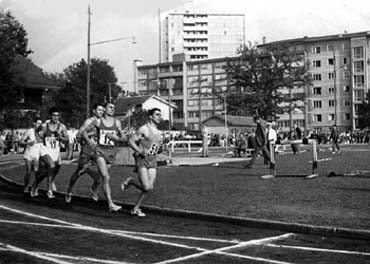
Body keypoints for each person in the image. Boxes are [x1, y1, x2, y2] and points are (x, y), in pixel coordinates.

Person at [80, 102, 125, 212]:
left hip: (111, 152)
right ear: (104, 109)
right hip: (100, 151)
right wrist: (89, 141)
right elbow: (84, 132)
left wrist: (117, 138)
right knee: (106, 177)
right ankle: (110, 204)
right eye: (110, 107)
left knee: (101, 176)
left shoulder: (117, 122)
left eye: (113, 108)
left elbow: (124, 138)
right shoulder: (98, 121)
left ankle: (92, 183)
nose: (112, 109)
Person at [121, 108, 163, 217]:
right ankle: (131, 181)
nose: (160, 117)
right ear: (150, 116)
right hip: (142, 160)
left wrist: (162, 149)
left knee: (149, 188)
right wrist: (139, 150)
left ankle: (135, 209)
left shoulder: (159, 132)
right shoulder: (144, 129)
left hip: (153, 160)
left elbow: (156, 149)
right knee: (146, 187)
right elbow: (130, 141)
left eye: (160, 115)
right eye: (157, 114)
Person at [65, 103, 105, 204]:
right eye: (99, 110)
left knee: (103, 173)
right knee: (78, 171)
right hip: (87, 149)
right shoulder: (89, 121)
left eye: (102, 110)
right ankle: (69, 190)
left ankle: (93, 188)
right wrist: (90, 135)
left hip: (98, 149)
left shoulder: (104, 122)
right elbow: (79, 135)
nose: (101, 112)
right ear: (94, 111)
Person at [30, 107, 69, 199]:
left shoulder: (62, 127)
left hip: (55, 150)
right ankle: (49, 190)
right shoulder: (44, 126)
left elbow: (67, 139)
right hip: (45, 150)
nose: (56, 117)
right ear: (50, 116)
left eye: (57, 115)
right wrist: (40, 139)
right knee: (51, 166)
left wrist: (60, 137)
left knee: (55, 169)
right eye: (54, 115)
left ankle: (35, 184)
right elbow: (36, 130)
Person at [20, 117, 43, 193]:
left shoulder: (42, 133)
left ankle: (35, 186)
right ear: (34, 123)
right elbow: (21, 141)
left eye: (40, 123)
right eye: (38, 123)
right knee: (29, 171)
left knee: (37, 172)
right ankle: (26, 186)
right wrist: (27, 143)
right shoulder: (30, 131)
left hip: (37, 155)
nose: (39, 125)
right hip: (28, 154)